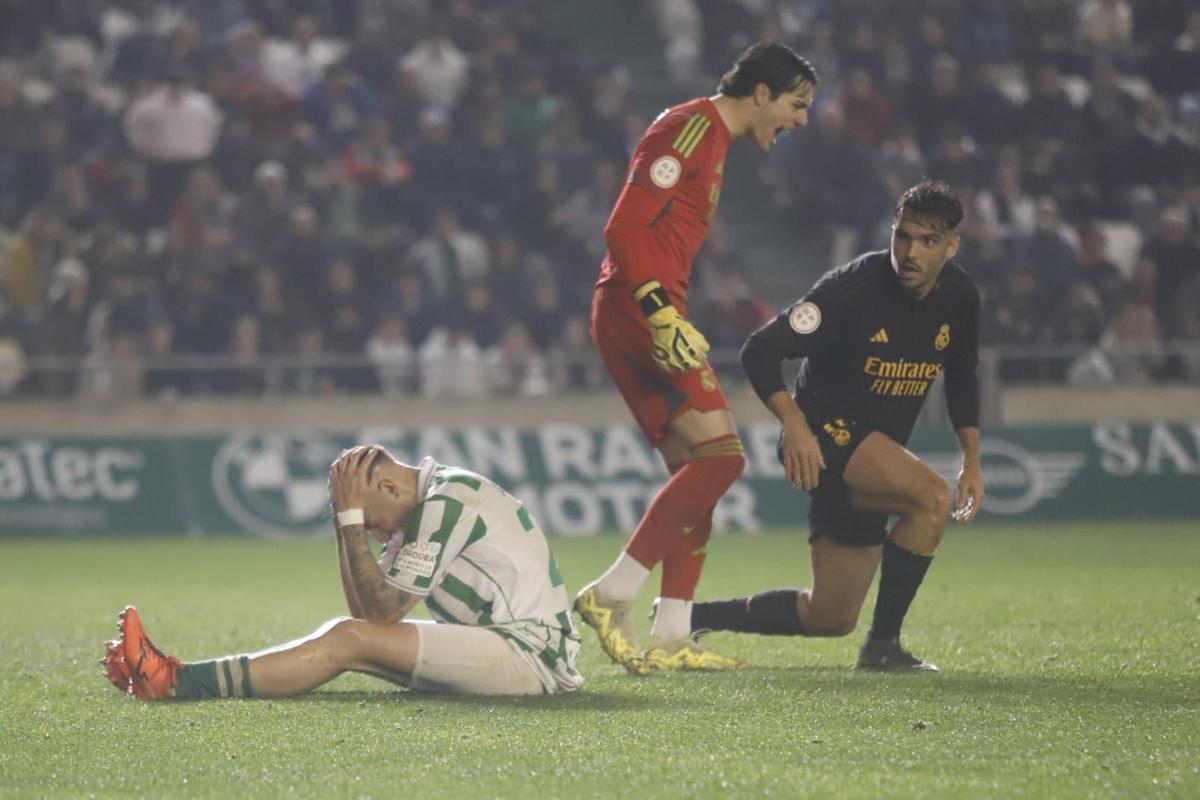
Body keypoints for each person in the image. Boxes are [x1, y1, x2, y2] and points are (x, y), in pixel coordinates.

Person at [575, 42, 818, 675]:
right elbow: (622, 228)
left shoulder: (711, 141)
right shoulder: (687, 127)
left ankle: (673, 634)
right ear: (761, 93)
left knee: (695, 477)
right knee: (723, 460)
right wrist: (659, 309)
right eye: (797, 104)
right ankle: (611, 592)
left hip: (642, 308)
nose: (802, 120)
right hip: (637, 309)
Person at [688, 181, 984, 672]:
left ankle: (687, 615)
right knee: (932, 499)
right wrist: (795, 423)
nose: (909, 252)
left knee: (829, 615)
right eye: (902, 236)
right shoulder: (853, 289)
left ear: (952, 246)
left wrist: (972, 458)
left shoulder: (960, 297)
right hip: (822, 438)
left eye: (927, 242)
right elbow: (759, 350)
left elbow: (961, 376)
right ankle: (883, 648)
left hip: (874, 457)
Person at [102, 446, 582, 699]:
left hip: (531, 653)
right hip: (515, 645)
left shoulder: (447, 501)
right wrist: (344, 520)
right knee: (350, 644)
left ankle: (177, 681)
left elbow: (380, 611)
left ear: (392, 486)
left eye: (370, 517)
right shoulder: (425, 507)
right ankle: (171, 679)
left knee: (346, 641)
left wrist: (350, 519)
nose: (371, 532)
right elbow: (367, 611)